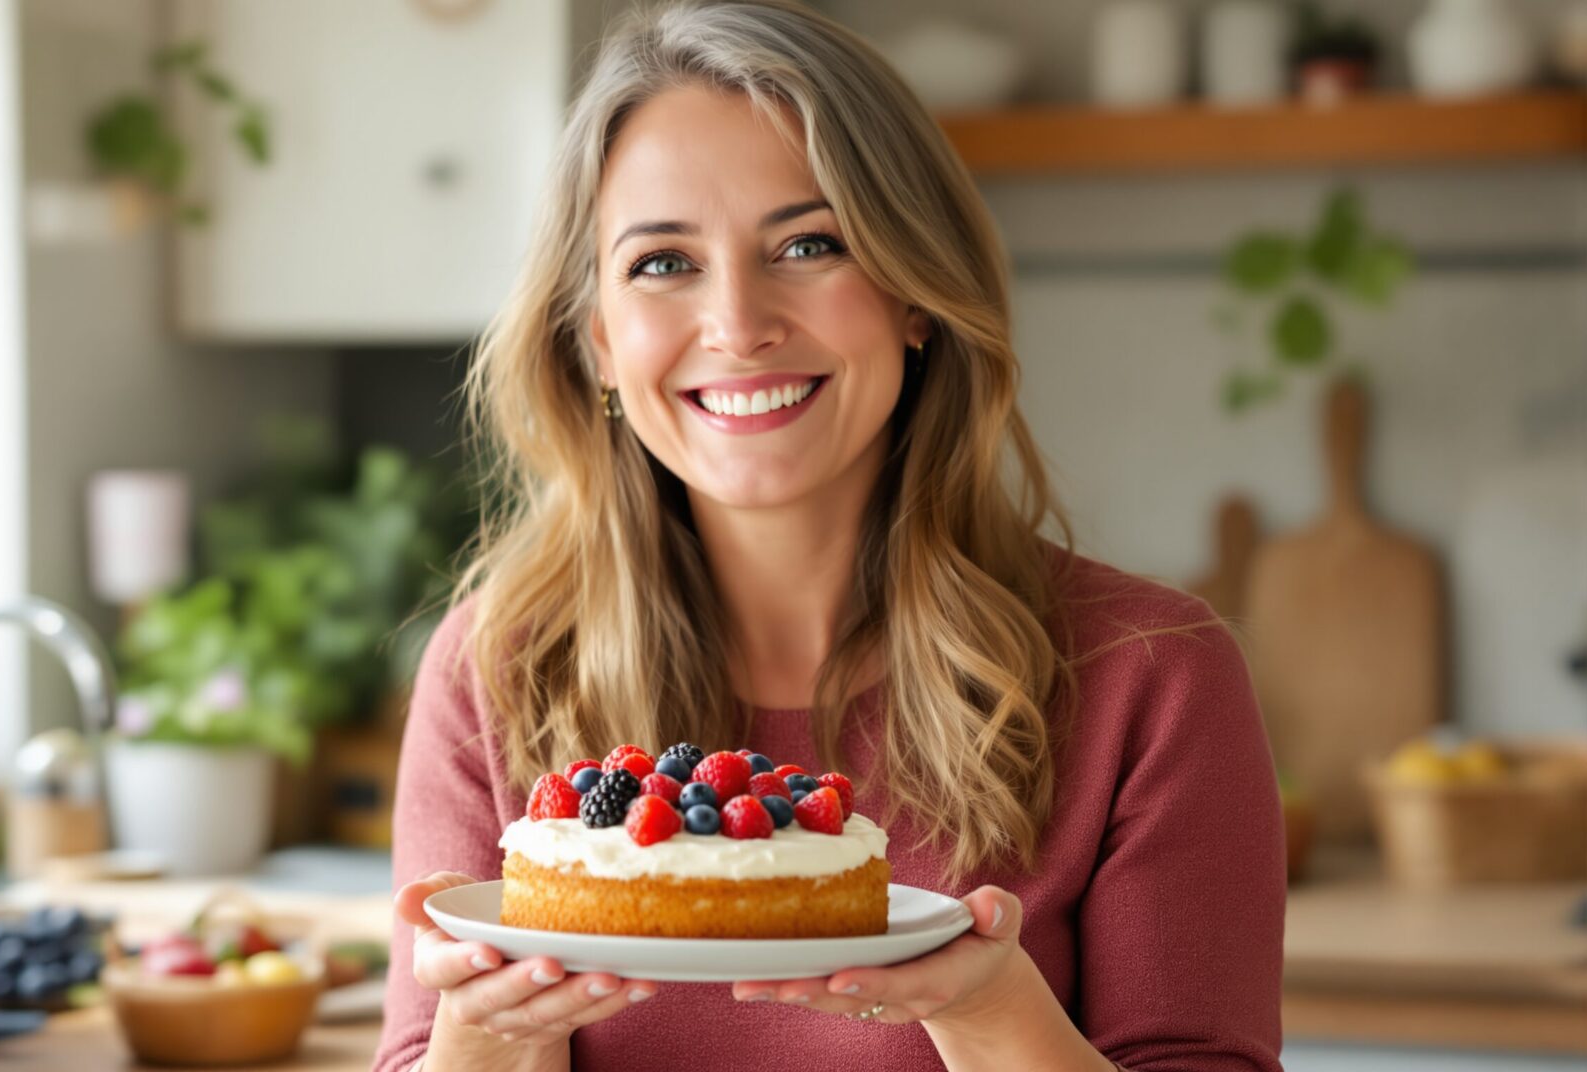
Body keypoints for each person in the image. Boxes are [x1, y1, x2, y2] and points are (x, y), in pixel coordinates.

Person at [373, 2, 1284, 1069]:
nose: (738, 323)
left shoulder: (1150, 678)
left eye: (810, 244)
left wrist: (993, 1015)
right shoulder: (498, 668)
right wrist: (485, 1036)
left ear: (916, 295)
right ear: (597, 342)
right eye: (663, 263)